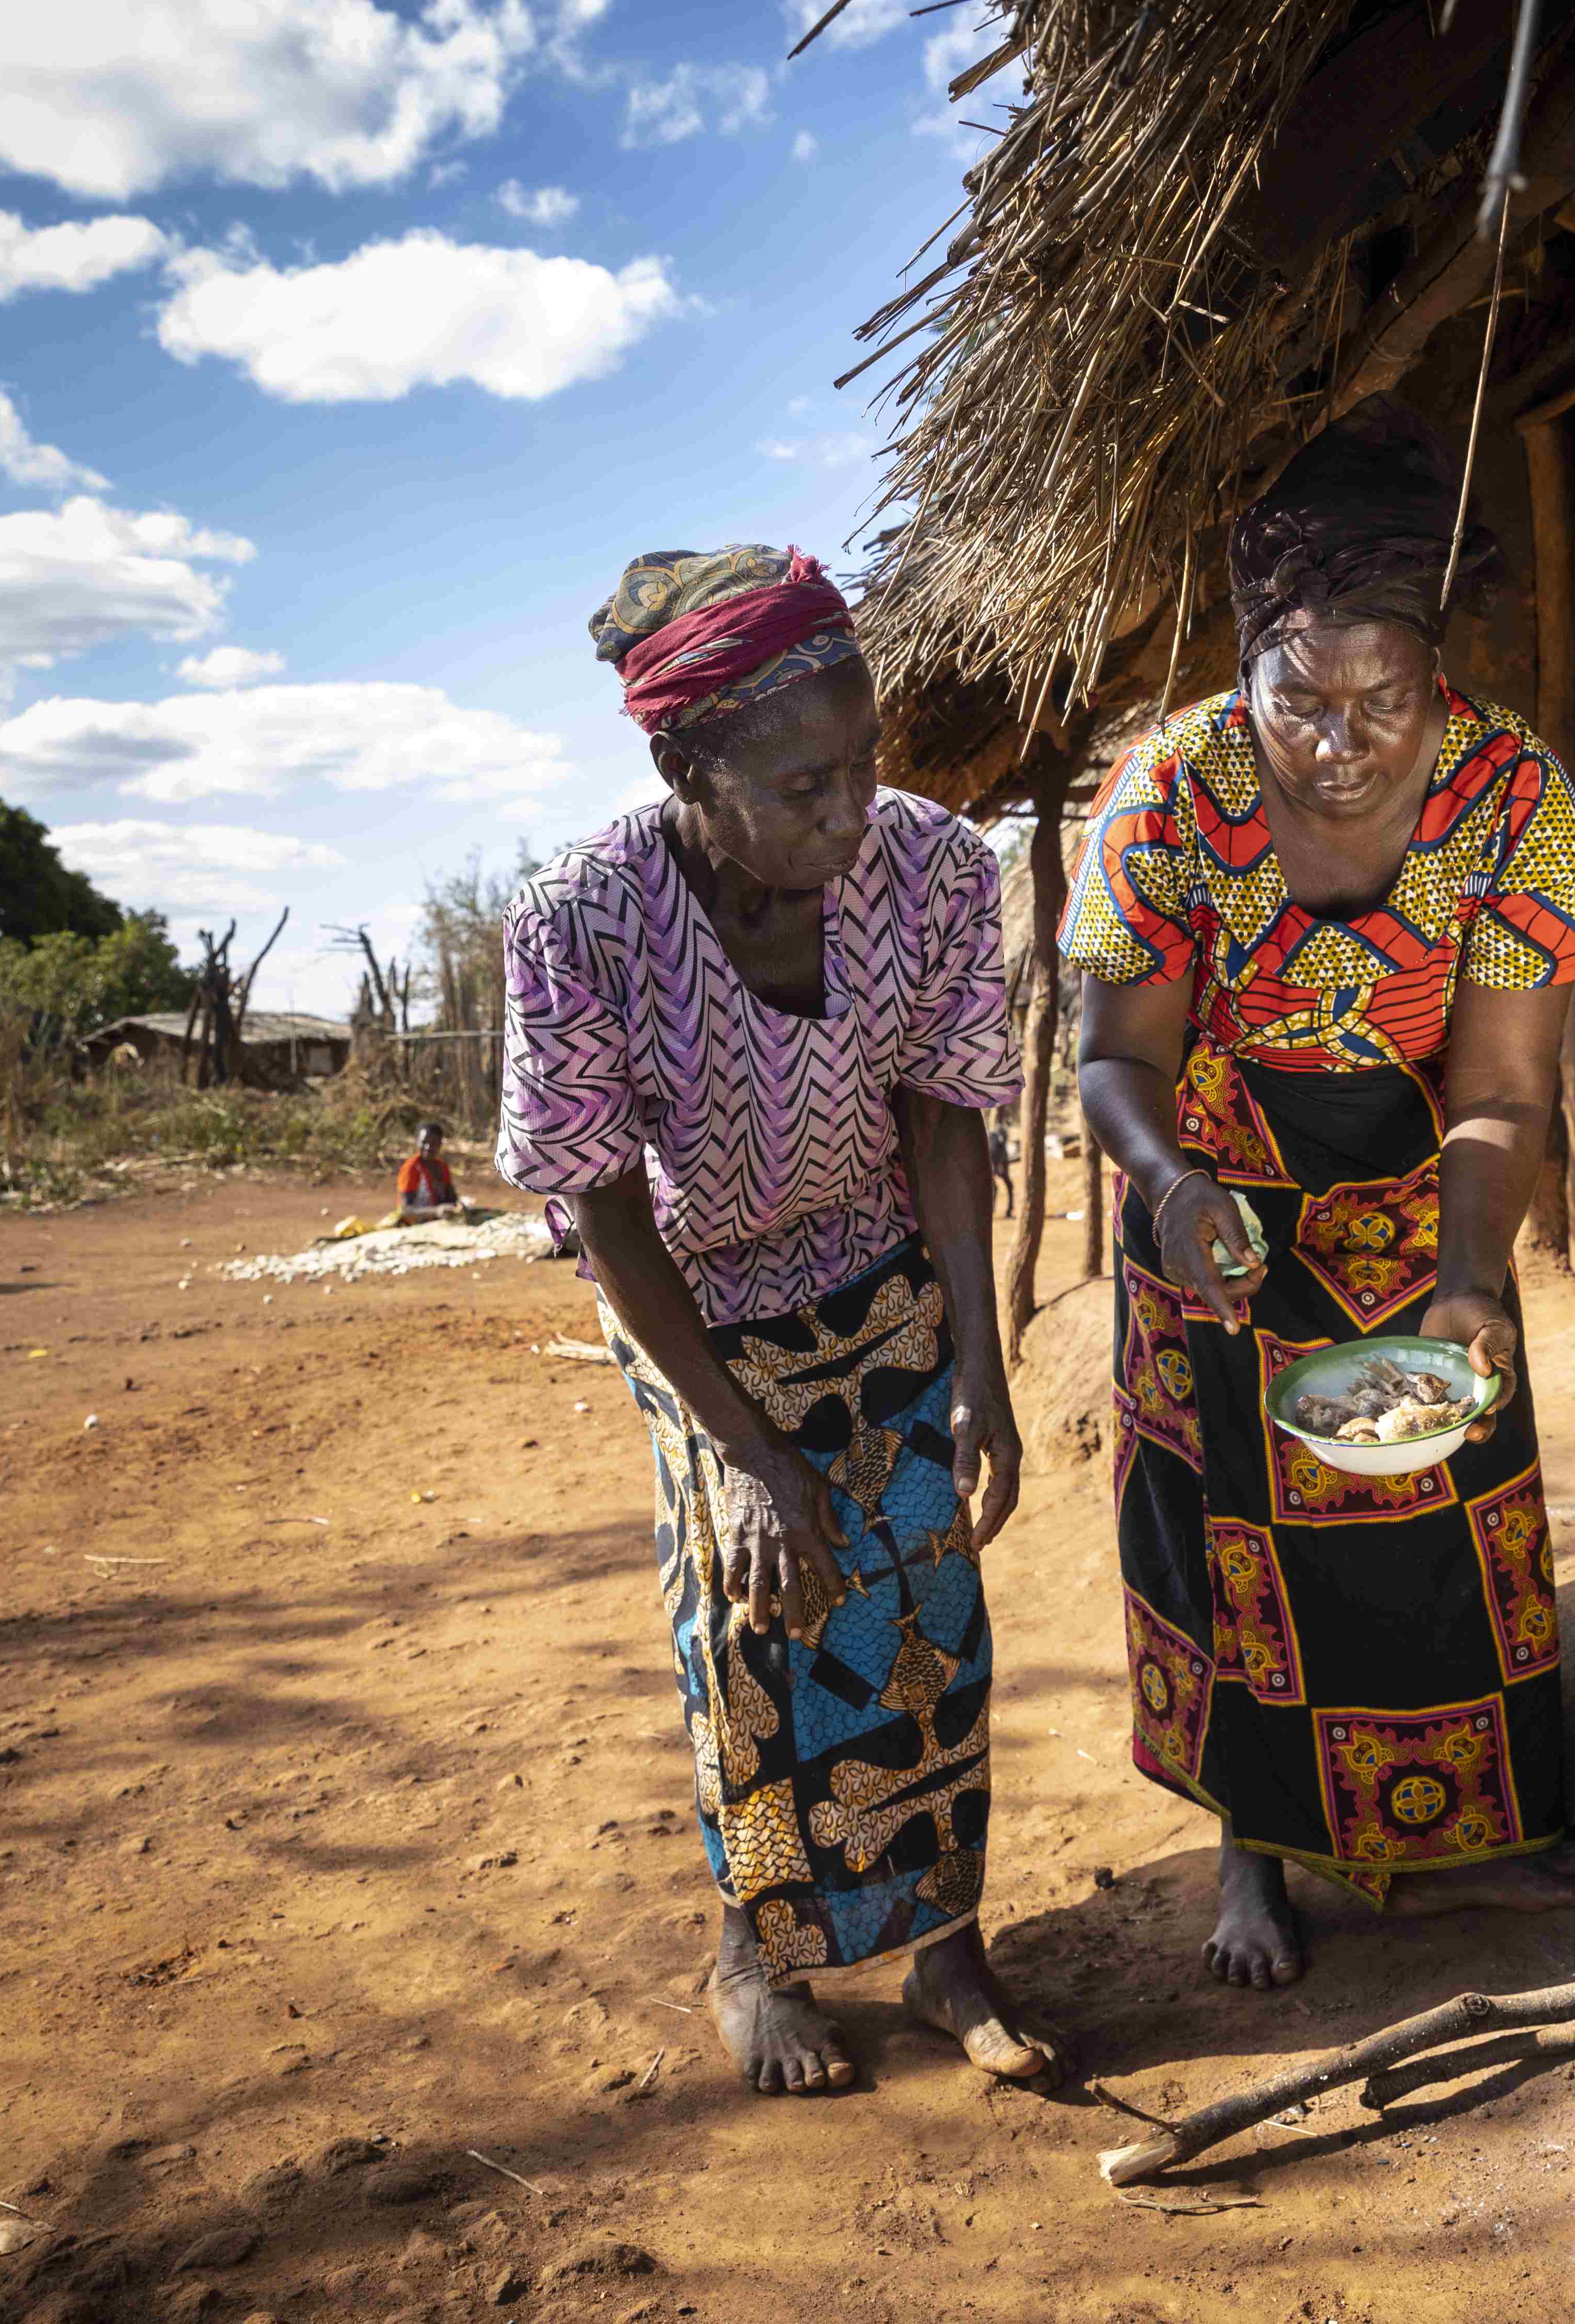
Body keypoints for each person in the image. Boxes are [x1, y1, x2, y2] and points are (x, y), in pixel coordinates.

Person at [1064, 395, 1575, 1990]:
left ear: (1432, 672)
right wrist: (1169, 1197)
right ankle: (1255, 1852)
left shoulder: (1513, 796)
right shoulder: (1167, 798)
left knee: (1447, 1495)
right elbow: (1116, 1060)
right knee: (1234, 1518)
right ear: (1249, 664)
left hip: (1427, 1185)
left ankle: (1459, 1839)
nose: (1344, 735)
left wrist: (1460, 1283)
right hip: (1213, 1186)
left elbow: (1504, 1090)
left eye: (1388, 696)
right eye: (1302, 694)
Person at [498, 543, 1061, 2096]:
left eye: (864, 760)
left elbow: (948, 1124)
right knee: (753, 1613)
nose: (849, 809)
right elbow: (605, 1207)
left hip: (883, 1265)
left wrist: (980, 1374)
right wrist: (743, 1451)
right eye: (804, 782)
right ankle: (760, 1949)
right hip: (694, 1300)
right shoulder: (581, 921)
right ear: (685, 764)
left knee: (926, 1601)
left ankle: (949, 1944)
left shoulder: (932, 867)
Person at [395, 1119, 461, 1220]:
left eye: (434, 1143)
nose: (428, 1147)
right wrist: (436, 1211)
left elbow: (452, 1199)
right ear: (417, 1142)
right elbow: (405, 1210)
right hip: (416, 1225)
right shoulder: (411, 1168)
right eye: (424, 1142)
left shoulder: (442, 1167)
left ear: (440, 1144)